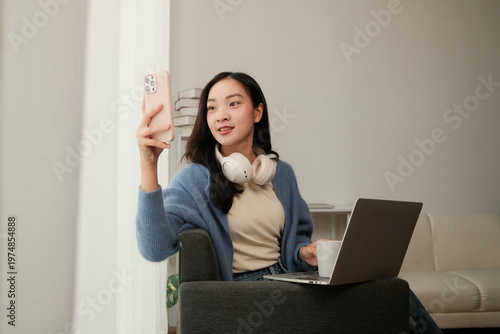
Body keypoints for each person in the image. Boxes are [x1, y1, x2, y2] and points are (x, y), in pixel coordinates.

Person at [135, 71, 442, 334]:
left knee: (387, 287)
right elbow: (155, 248)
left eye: (233, 103)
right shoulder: (194, 179)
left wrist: (303, 252)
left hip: (287, 277)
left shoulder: (280, 174)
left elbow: (294, 241)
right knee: (385, 295)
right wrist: (149, 166)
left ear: (257, 112)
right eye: (212, 108)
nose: (221, 115)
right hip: (247, 290)